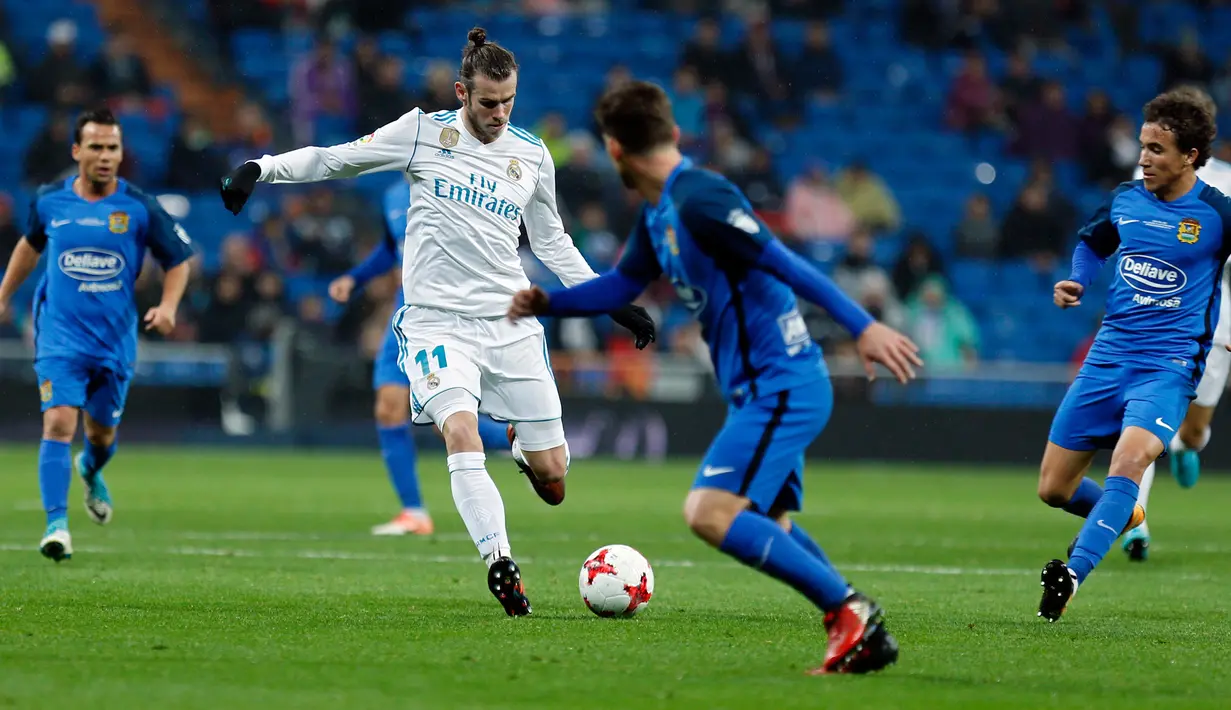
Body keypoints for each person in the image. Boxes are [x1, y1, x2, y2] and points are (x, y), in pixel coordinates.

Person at [219, 28, 656, 616]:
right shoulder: (422, 132)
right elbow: (335, 159)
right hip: (435, 323)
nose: (499, 114)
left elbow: (553, 243)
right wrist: (260, 168)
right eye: (487, 102)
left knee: (554, 479)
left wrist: (611, 297)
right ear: (461, 92)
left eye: (508, 102)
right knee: (459, 430)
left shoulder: (530, 155)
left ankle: (525, 453)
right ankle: (499, 562)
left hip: (511, 323)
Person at [508, 80, 921, 675]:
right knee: (770, 524)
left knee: (709, 512)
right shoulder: (659, 214)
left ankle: (851, 613)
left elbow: (782, 259)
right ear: (672, 133)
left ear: (614, 151)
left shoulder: (700, 197)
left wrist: (863, 326)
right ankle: (859, 626)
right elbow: (622, 286)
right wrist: (548, 302)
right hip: (759, 388)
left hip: (783, 383)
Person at [1040, 89, 1231, 621]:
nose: (1144, 157)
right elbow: (1092, 243)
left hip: (1167, 365)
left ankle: (1072, 574)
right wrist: (1077, 281)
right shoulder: (1125, 199)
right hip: (1108, 357)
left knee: (1131, 459)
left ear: (1191, 156)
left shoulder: (1218, 213)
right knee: (1054, 489)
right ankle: (1126, 510)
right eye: (1143, 146)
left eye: (1157, 150)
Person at [0, 108, 194, 562]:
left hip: (114, 340)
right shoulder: (50, 201)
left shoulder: (139, 207)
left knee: (101, 435)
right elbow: (29, 247)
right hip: (58, 336)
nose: (105, 156)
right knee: (58, 422)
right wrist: (4, 293)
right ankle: (56, 526)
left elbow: (179, 260)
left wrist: (167, 307)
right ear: (77, 151)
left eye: (113, 148)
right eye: (96, 147)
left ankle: (90, 467)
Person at [328, 180, 512, 536]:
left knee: (449, 414)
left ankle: (518, 438)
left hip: (448, 311)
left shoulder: (454, 183)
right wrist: (356, 278)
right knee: (389, 406)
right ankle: (414, 512)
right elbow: (389, 247)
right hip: (407, 310)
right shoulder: (394, 193)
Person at [1121, 87, 1231, 560]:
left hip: (1214, 310)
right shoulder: (1146, 172)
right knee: (1143, 424)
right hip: (1157, 311)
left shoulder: (1226, 182)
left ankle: (1191, 447)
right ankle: (1134, 523)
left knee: (1189, 431)